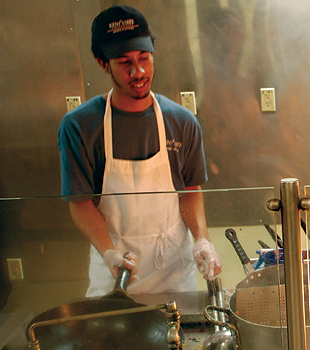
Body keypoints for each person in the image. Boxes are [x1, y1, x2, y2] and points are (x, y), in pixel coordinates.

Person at [58, 4, 222, 297]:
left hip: (173, 275)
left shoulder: (181, 121)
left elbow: (190, 190)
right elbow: (80, 203)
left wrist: (202, 241)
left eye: (144, 58)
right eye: (124, 62)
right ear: (102, 63)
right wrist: (109, 255)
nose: (139, 71)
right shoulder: (80, 127)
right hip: (115, 274)